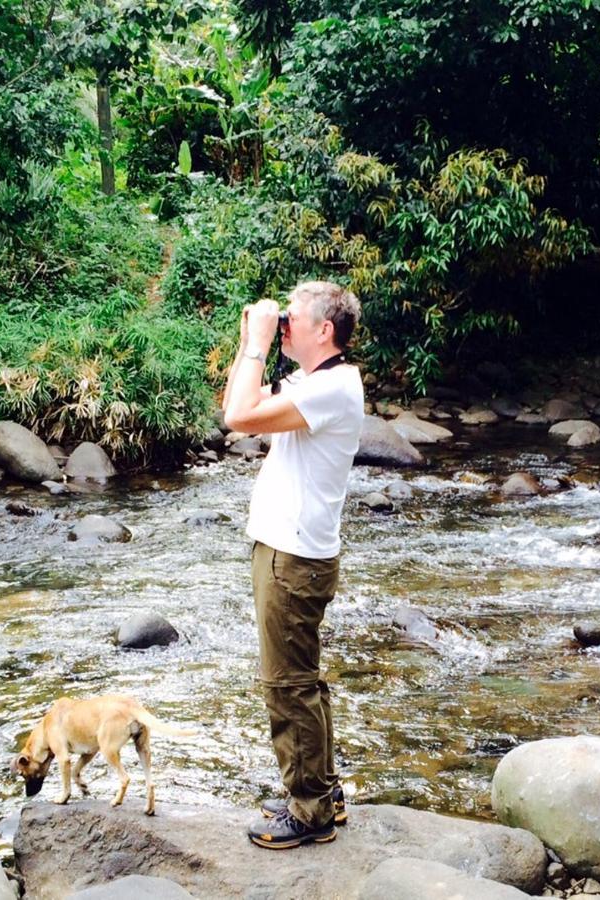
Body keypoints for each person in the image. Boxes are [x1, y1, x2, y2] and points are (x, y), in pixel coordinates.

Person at [222, 280, 365, 850]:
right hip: (293, 551)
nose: (284, 324)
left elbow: (238, 417)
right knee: (304, 679)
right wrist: (247, 343)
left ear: (324, 330)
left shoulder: (331, 388)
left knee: (287, 685)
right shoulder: (319, 380)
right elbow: (240, 400)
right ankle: (323, 792)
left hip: (293, 556)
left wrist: (257, 343)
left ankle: (310, 813)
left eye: (293, 317)